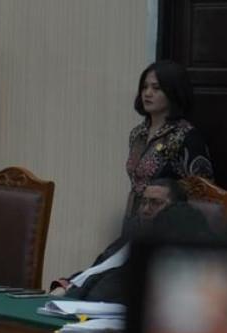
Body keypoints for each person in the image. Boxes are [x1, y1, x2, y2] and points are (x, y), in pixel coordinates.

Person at [50, 178, 209, 303]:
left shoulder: (175, 252)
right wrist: (67, 285)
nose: (145, 210)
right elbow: (97, 270)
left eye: (155, 203)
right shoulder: (129, 238)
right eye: (143, 202)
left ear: (176, 208)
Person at [126, 60, 214, 217]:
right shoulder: (137, 133)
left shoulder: (185, 136)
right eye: (144, 87)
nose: (147, 93)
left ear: (173, 92)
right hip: (135, 216)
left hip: (167, 220)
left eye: (156, 88)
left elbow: (202, 192)